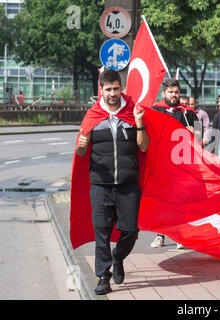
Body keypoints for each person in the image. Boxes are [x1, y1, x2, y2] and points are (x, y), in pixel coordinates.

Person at [75, 69, 149, 295]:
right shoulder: (92, 115)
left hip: (128, 184)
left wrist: (139, 123)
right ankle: (103, 276)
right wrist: (81, 143)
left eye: (116, 88)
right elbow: (80, 153)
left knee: (130, 230)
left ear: (121, 87)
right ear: (101, 90)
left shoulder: (132, 112)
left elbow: (144, 146)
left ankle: (118, 258)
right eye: (108, 89)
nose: (112, 93)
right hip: (100, 185)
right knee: (102, 233)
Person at [150, 79, 200, 249]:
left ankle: (180, 236)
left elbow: (200, 138)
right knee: (162, 201)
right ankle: (160, 235)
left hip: (183, 164)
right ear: (164, 93)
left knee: (180, 200)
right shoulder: (155, 110)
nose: (174, 95)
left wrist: (194, 134)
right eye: (171, 92)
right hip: (162, 164)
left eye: (176, 92)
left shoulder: (188, 113)